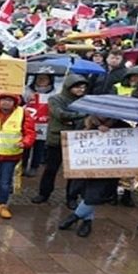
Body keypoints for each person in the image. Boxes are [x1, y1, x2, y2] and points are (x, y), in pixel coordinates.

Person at [57, 115, 130, 238]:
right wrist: (94, 130)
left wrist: (110, 132)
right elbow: (73, 142)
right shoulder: (84, 123)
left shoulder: (121, 126)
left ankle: (74, 217)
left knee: (94, 196)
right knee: (86, 195)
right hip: (86, 166)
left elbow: (129, 143)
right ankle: (87, 222)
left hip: (108, 169)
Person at [33, 74, 88, 207]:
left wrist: (74, 118)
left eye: (83, 87)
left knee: (73, 171)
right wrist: (82, 115)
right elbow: (60, 114)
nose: (81, 90)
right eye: (77, 87)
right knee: (51, 169)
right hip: (57, 138)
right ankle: (44, 193)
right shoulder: (55, 99)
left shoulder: (86, 100)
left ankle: (72, 197)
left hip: (76, 140)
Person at [22, 73, 54, 177]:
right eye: (39, 78)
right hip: (28, 122)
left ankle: (34, 167)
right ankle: (22, 166)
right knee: (26, 145)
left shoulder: (54, 93)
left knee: (39, 146)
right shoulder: (27, 90)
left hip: (43, 124)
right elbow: (21, 103)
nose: (42, 80)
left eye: (45, 78)